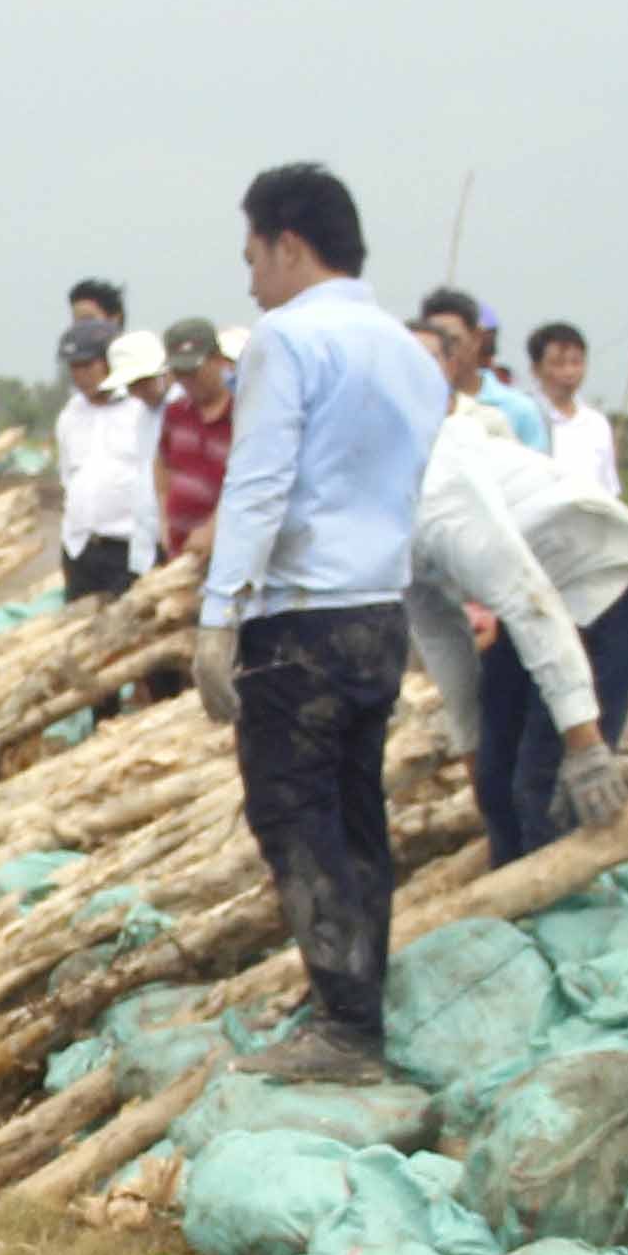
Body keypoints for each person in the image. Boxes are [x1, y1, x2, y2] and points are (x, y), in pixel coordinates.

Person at [196, 164, 445, 1081]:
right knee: (355, 811)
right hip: (379, 612)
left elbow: (259, 484)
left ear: (289, 245)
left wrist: (220, 616)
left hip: (299, 618)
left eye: (254, 254)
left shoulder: (288, 340)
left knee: (294, 811)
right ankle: (353, 995)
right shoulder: (409, 354)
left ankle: (345, 1027)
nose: (251, 276)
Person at [411, 418, 628, 866]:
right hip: (533, 598)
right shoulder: (383, 537)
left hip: (605, 583)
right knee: (496, 783)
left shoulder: (435, 502)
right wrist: (475, 752)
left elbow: (530, 602)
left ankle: (563, 917)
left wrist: (584, 744)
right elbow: (442, 641)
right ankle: (513, 914)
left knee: (544, 787)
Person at [51, 316, 163, 599]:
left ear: (108, 362)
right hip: (81, 548)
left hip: (126, 548)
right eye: (74, 368)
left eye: (87, 365)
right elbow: (68, 476)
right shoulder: (70, 415)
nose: (80, 375)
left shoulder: (139, 409)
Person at [415, 289, 552, 448]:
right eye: (437, 345)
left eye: (453, 341)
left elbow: (537, 469)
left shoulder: (518, 409)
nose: (446, 352)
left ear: (476, 339)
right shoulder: (412, 406)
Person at [153, 317, 239, 558]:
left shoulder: (242, 416)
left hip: (226, 553)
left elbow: (248, 484)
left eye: (194, 371)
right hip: (180, 551)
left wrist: (214, 527)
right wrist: (163, 518)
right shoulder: (175, 413)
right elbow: (162, 465)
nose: (187, 381)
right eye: (180, 373)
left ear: (218, 361)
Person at [525, 320, 621, 499]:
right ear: (536, 369)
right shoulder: (526, 416)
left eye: (576, 362)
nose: (569, 372)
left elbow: (609, 490)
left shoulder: (596, 424)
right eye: (558, 363)